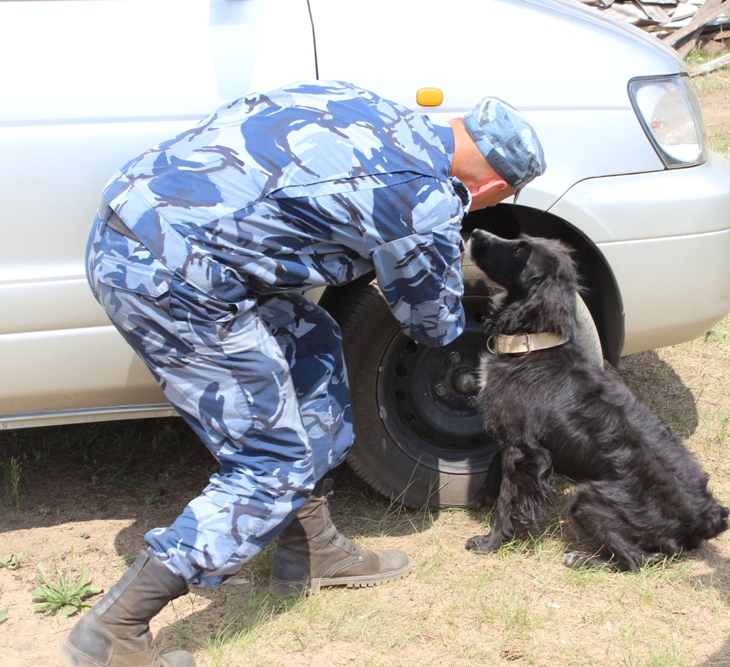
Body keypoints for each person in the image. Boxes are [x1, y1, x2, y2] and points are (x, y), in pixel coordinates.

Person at [61, 81, 545, 667]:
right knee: (271, 465)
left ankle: (310, 548)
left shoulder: (364, 101)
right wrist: (462, 269)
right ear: (492, 186)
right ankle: (115, 629)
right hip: (173, 280)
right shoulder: (424, 198)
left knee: (310, 339)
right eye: (498, 199)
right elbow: (431, 323)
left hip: (135, 232)